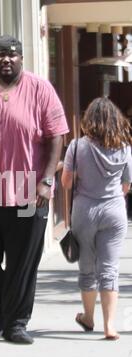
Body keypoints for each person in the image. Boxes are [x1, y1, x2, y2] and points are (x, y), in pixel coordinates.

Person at [0, 35, 69, 344]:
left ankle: (16, 323)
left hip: (28, 194)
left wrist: (47, 180)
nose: (6, 59)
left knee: (23, 262)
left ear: (21, 58)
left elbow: (56, 137)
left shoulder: (40, 89)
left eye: (12, 55)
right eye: (0, 54)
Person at [62, 97, 132, 340]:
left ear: (88, 119)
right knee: (110, 269)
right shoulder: (124, 147)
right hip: (114, 210)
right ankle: (109, 325)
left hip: (85, 211)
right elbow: (126, 186)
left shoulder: (77, 146)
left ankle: (88, 317)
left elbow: (67, 183)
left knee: (87, 268)